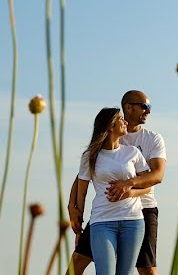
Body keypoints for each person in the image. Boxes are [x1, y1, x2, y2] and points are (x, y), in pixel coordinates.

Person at [67, 91, 167, 275]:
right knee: (78, 260)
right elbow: (83, 175)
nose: (148, 111)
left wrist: (129, 187)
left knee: (147, 269)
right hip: (105, 213)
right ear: (128, 107)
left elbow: (157, 176)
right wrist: (72, 207)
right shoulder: (107, 137)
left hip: (142, 208)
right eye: (144, 107)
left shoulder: (152, 139)